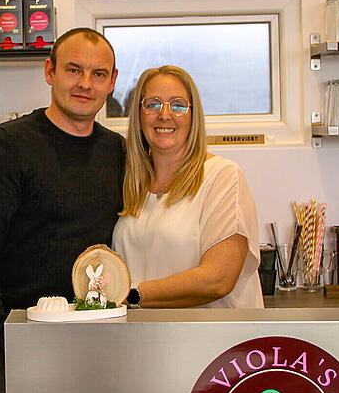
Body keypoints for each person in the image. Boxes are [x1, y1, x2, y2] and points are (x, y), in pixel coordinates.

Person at [0, 28, 125, 349]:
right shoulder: (9, 146)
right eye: (74, 70)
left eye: (98, 74)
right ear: (50, 71)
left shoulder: (117, 150)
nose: (85, 84)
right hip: (26, 335)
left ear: (112, 81)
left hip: (103, 333)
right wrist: (1, 335)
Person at [112, 65, 264, 309]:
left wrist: (132, 295)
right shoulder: (132, 184)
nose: (164, 114)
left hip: (207, 332)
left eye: (178, 105)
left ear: (193, 116)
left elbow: (218, 279)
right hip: (144, 331)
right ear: (139, 116)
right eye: (153, 104)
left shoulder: (222, 176)